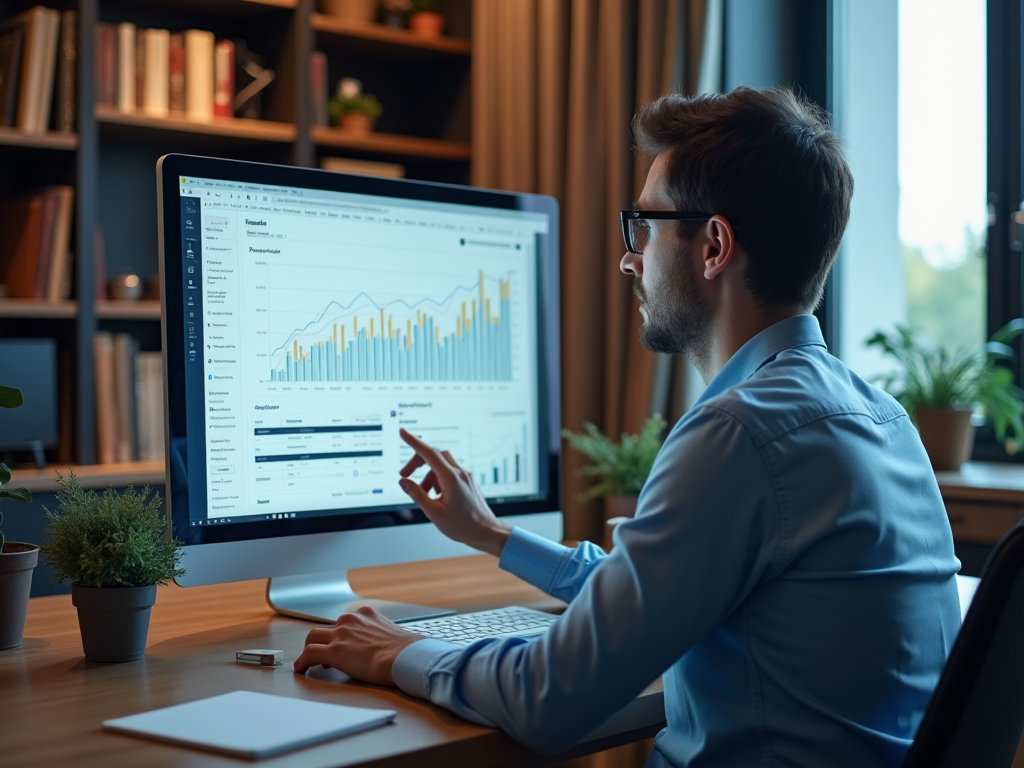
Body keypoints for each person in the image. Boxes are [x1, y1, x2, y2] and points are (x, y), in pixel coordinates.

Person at [294, 86, 961, 768]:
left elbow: (547, 699)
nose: (628, 259)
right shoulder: (881, 418)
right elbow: (653, 595)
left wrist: (402, 653)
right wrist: (493, 536)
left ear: (713, 246)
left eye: (643, 227)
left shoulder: (739, 434)